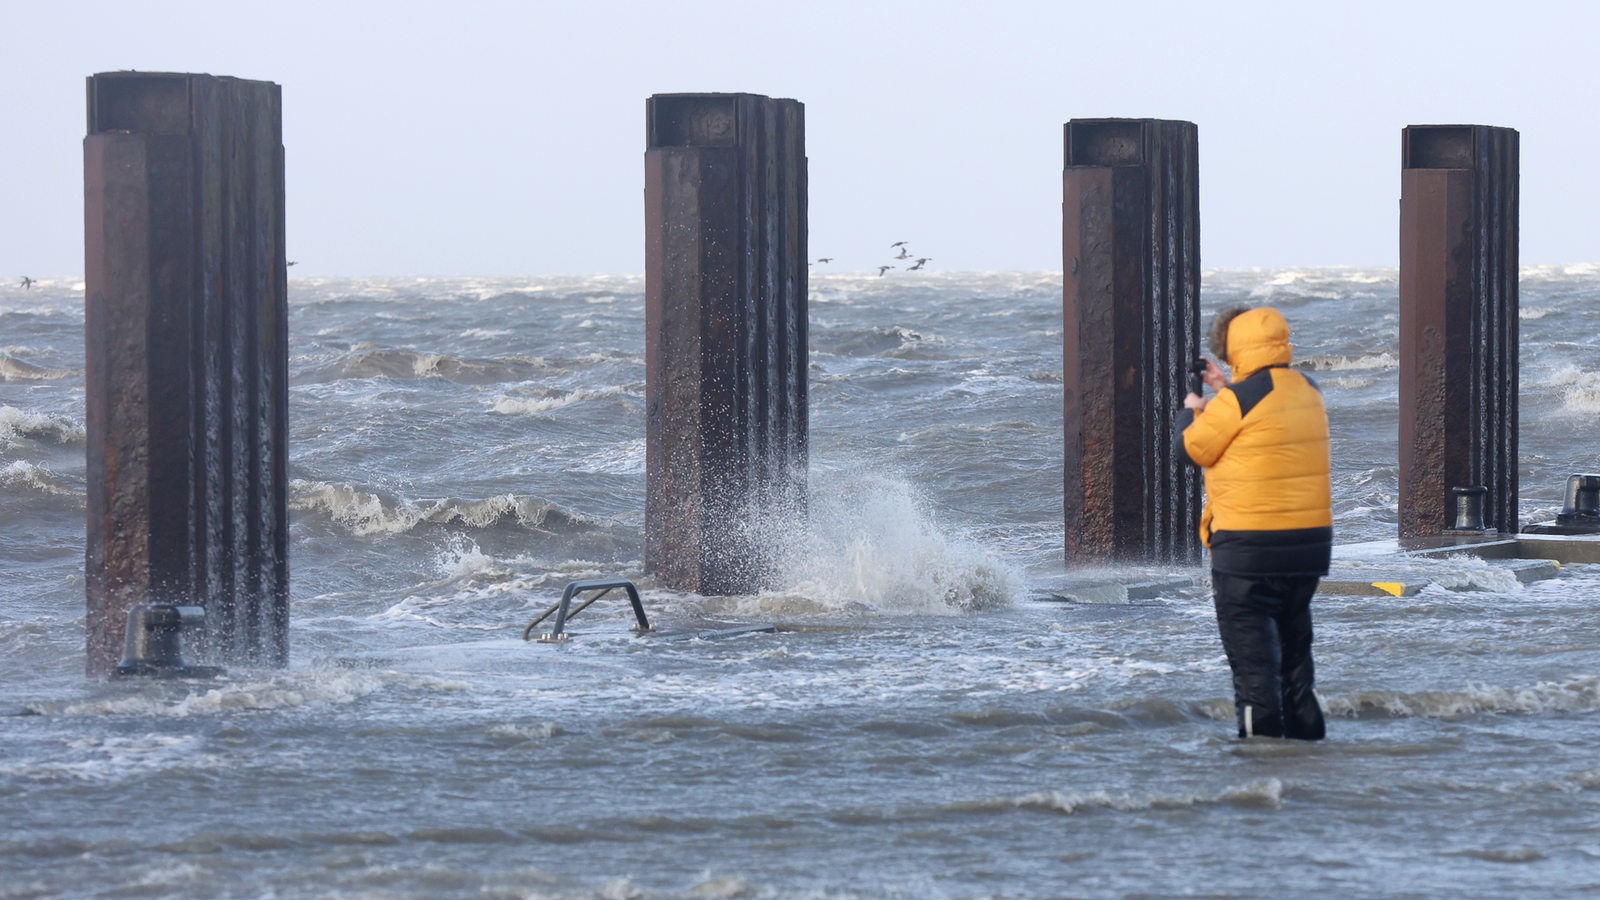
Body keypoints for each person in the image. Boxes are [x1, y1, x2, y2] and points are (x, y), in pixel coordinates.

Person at [1176, 305, 1332, 740]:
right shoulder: (1308, 388)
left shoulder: (1235, 401)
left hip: (1248, 550)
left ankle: (1259, 770)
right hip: (1308, 548)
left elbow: (1190, 451)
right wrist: (1225, 388)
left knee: (1255, 671)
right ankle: (1309, 760)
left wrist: (1193, 408)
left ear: (1235, 347)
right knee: (1295, 664)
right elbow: (1263, 422)